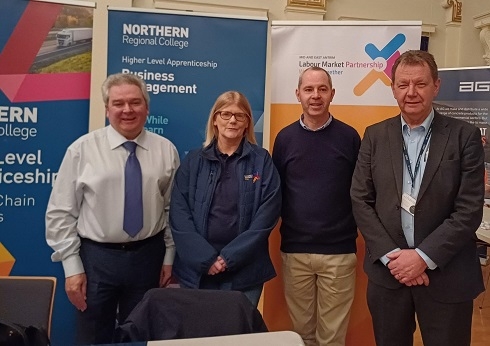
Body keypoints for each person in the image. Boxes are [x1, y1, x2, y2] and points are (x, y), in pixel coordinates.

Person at [350, 50, 485, 346]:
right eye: (403, 84)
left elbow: (469, 209)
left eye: (420, 84)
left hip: (447, 275)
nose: (411, 92)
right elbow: (360, 199)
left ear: (436, 86)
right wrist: (393, 257)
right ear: (393, 88)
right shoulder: (374, 136)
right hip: (389, 274)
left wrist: (422, 258)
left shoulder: (465, 136)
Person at [45, 73, 180, 345]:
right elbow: (61, 212)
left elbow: (171, 210)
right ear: (107, 109)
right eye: (118, 103)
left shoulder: (166, 150)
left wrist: (168, 257)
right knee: (92, 336)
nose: (127, 110)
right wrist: (72, 268)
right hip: (96, 260)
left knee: (142, 334)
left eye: (135, 102)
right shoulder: (81, 150)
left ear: (147, 107)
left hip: (147, 258)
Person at [272, 66, 360, 346]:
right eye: (309, 89)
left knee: (332, 337)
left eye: (322, 89)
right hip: (295, 251)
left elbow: (362, 192)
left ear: (332, 94)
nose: (315, 95)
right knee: (302, 335)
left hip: (339, 252)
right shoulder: (285, 139)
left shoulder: (349, 137)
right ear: (297, 94)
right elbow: (276, 193)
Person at [169, 90, 281, 307]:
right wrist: (206, 259)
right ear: (215, 120)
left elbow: (266, 216)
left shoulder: (261, 161)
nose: (232, 120)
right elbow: (179, 214)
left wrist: (228, 258)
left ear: (247, 123)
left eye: (240, 116)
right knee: (199, 337)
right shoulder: (193, 161)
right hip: (199, 272)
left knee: (239, 335)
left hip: (245, 272)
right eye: (225, 114)